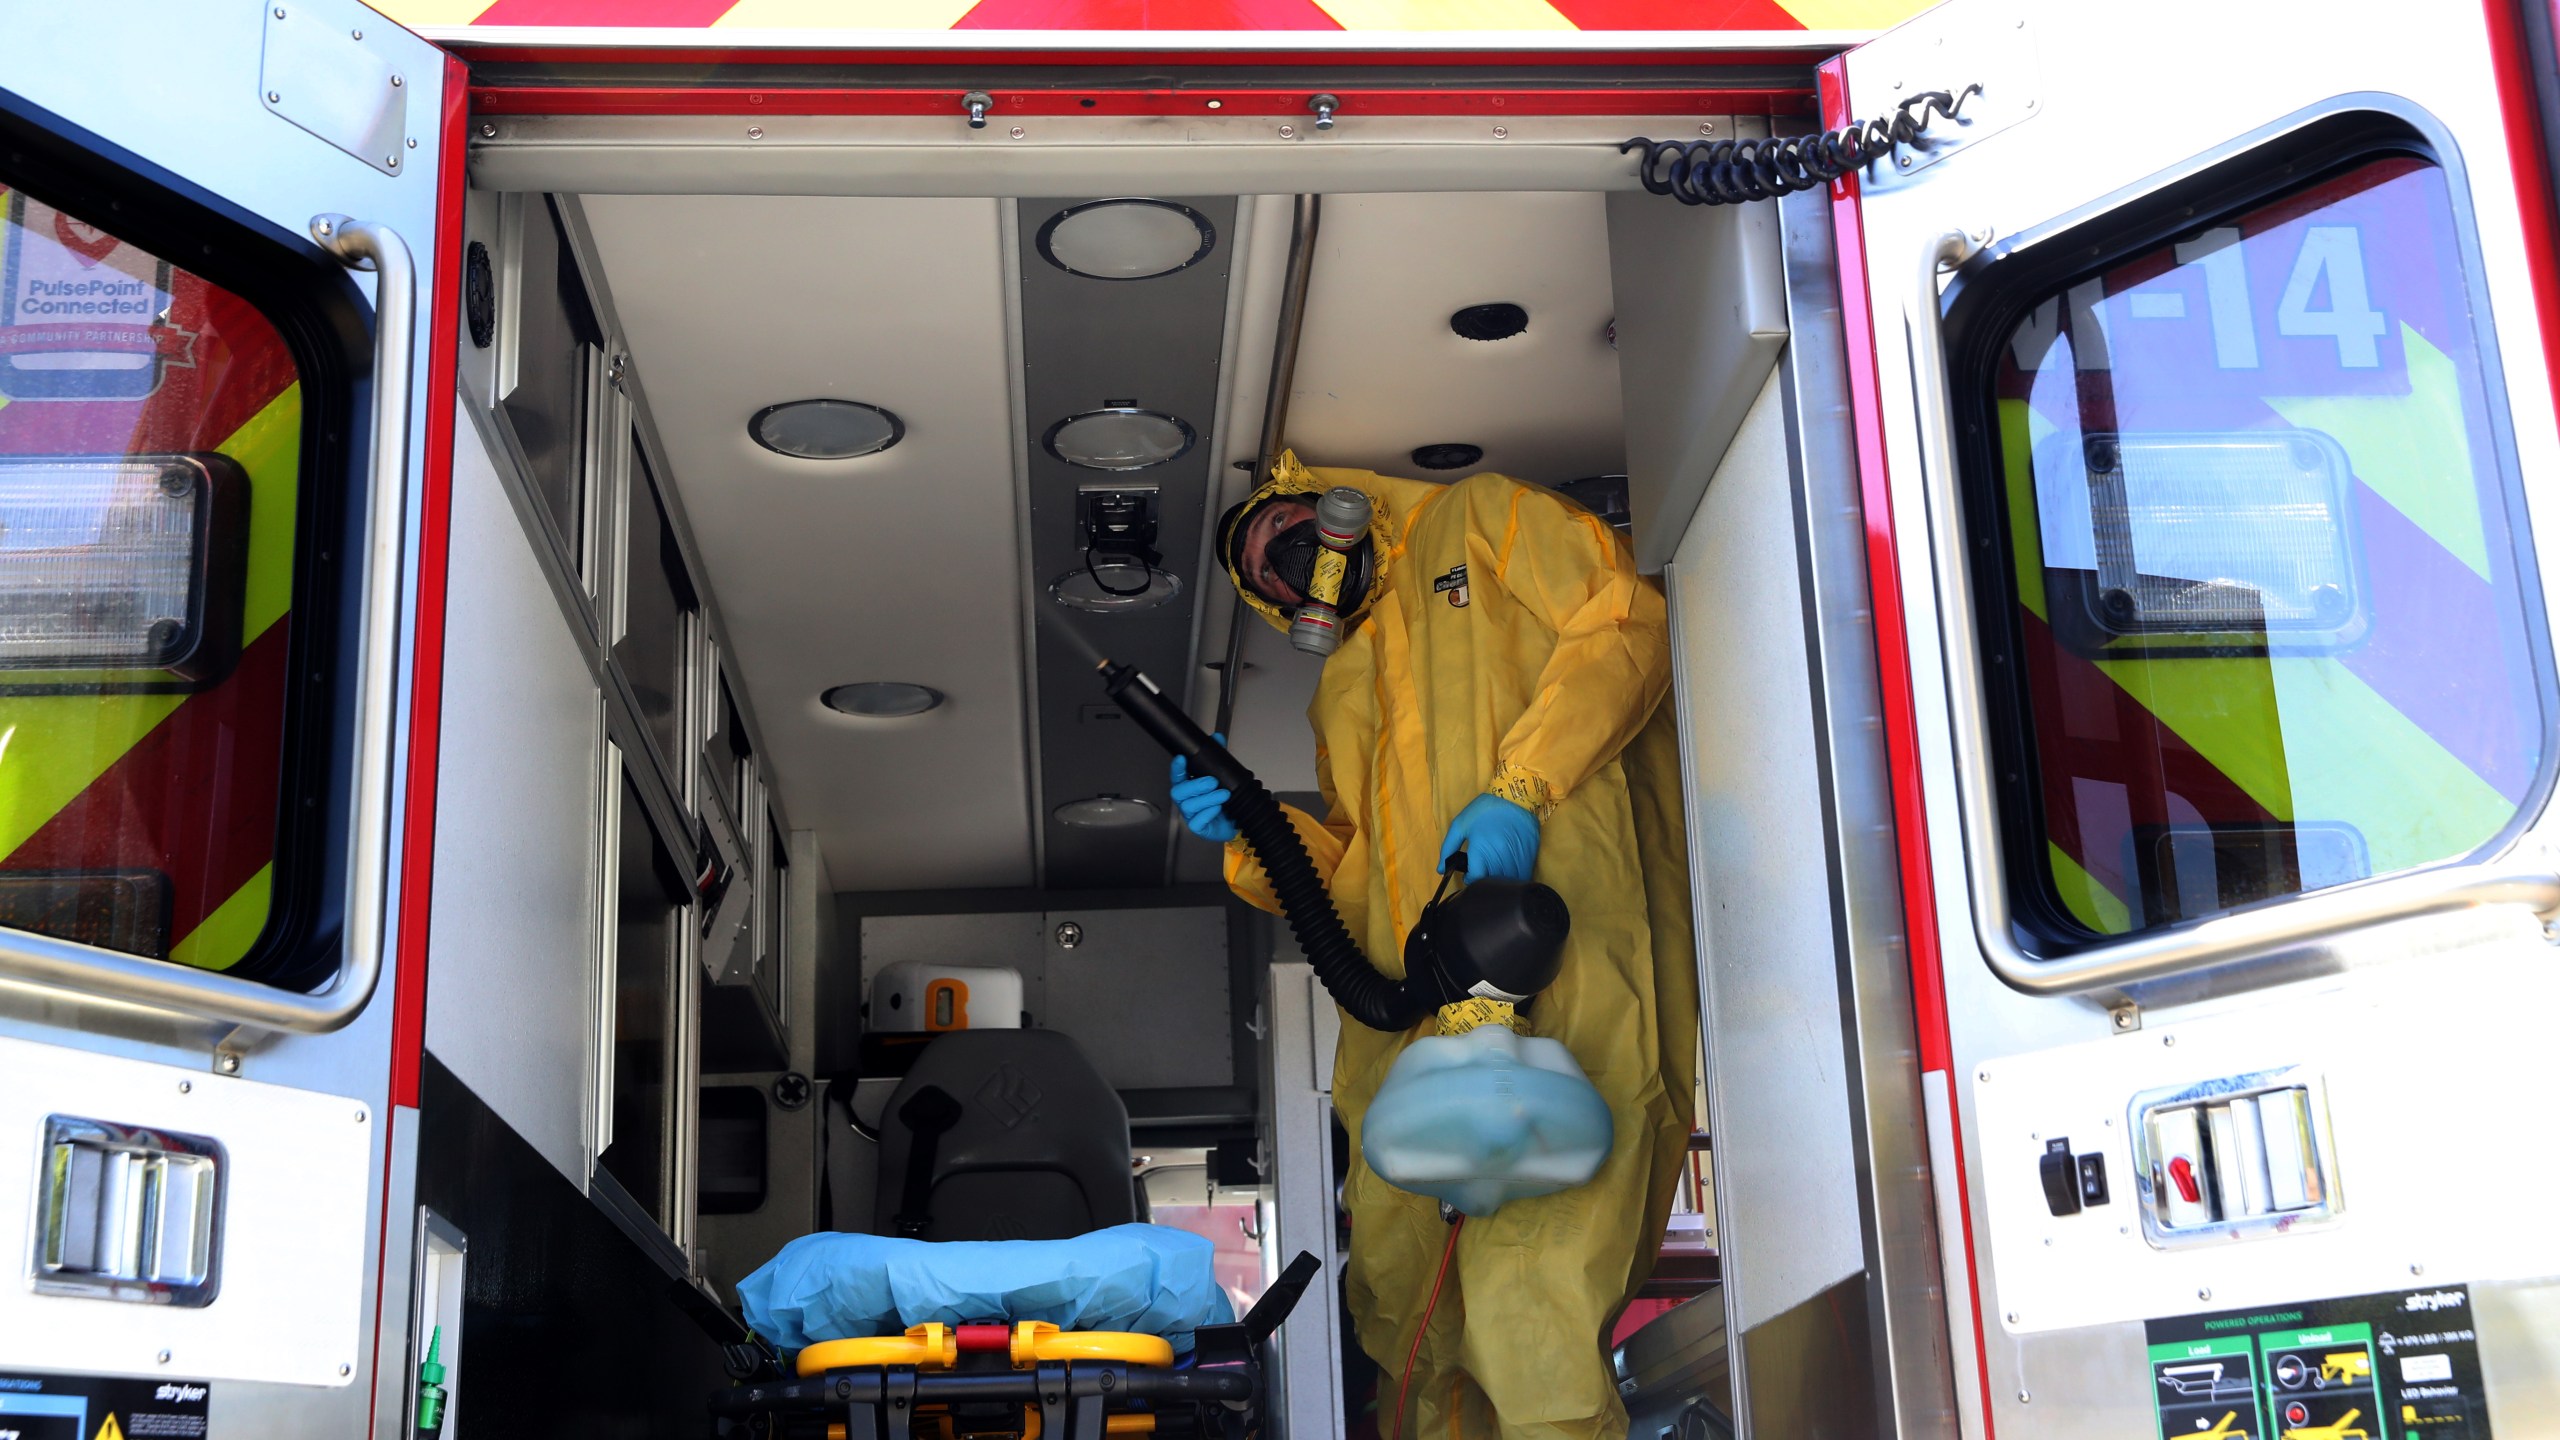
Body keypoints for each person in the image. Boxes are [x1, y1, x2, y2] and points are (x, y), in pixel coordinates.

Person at [1171, 451, 1698, 1440]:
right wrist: (1256, 836)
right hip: (1414, 1024)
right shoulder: (1343, 690)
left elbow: (1626, 622)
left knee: (1527, 1317)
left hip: (1572, 971)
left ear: (1328, 503)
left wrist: (1523, 787)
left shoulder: (1481, 519)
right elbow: (1358, 882)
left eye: (1283, 532)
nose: (1294, 564)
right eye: (1268, 572)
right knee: (1411, 1319)